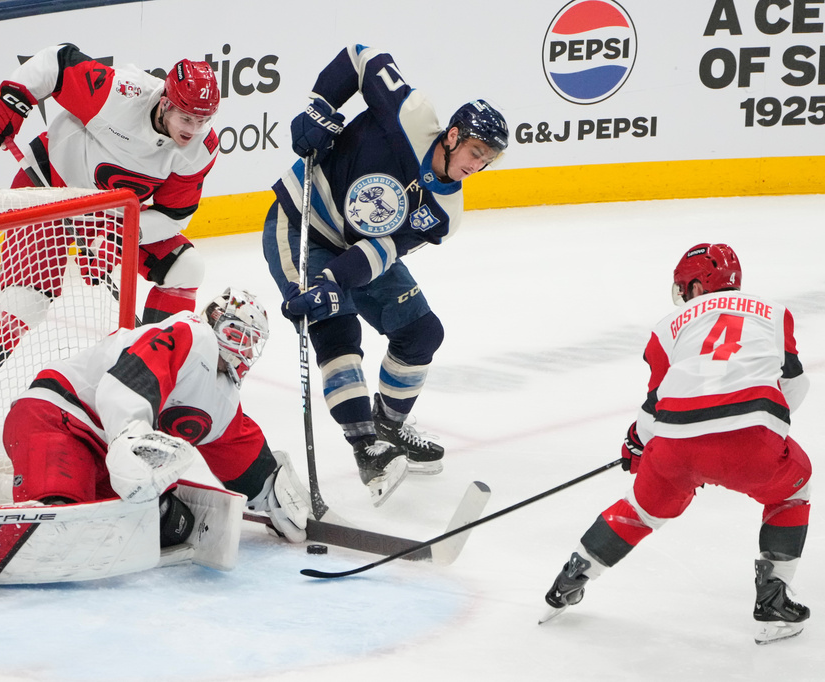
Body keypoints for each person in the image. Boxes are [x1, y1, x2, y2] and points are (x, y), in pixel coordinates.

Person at [0, 287, 312, 596]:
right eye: (235, 332)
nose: (239, 347)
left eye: (249, 341)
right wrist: (132, 437)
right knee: (61, 516)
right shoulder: (189, 334)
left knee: (171, 524)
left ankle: (52, 502)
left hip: (108, 452)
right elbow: (123, 388)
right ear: (213, 318)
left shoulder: (223, 398)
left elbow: (238, 449)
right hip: (59, 417)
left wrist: (274, 496)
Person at [0, 43, 221, 448]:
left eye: (203, 120)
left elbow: (174, 215)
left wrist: (117, 237)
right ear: (165, 103)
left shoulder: (199, 149)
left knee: (187, 269)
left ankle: (148, 380)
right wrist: (14, 98)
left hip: (107, 215)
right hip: (46, 190)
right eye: (186, 117)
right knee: (27, 299)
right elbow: (56, 62)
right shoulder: (118, 94)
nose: (193, 129)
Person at [262, 44, 508, 506]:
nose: (477, 165)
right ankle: (367, 449)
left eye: (486, 159)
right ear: (453, 135)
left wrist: (334, 279)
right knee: (336, 325)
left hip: (355, 252)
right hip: (300, 222)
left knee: (421, 332)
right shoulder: (412, 115)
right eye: (475, 151)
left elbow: (384, 249)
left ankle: (389, 429)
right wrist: (320, 107)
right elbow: (359, 58)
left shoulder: (445, 213)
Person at [542, 244, 812, 645]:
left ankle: (571, 578)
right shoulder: (774, 312)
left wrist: (637, 445)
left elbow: (653, 407)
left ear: (698, 285)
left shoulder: (668, 326)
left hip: (675, 444)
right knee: (795, 488)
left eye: (686, 287)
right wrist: (762, 430)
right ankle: (773, 596)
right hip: (751, 441)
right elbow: (794, 384)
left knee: (642, 509)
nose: (684, 295)